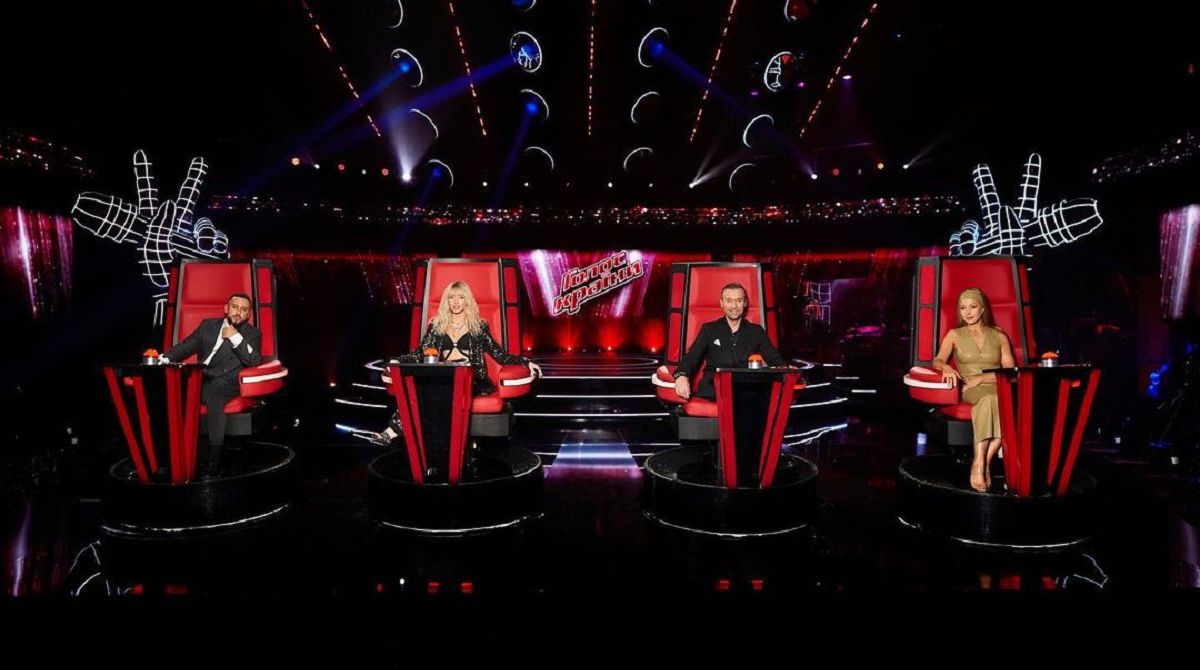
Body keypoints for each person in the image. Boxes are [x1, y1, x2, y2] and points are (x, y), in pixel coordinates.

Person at [370, 280, 542, 446]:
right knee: (421, 390)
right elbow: (419, 354)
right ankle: (391, 433)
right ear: (447, 300)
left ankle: (436, 443)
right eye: (451, 297)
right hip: (444, 376)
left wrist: (525, 362)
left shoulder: (479, 327)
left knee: (436, 391)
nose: (456, 302)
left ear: (467, 300)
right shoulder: (436, 326)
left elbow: (500, 355)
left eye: (460, 297)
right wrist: (398, 360)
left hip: (472, 379)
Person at [161, 292, 262, 477]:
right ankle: (169, 458)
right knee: (170, 391)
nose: (238, 312)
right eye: (234, 307)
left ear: (248, 315)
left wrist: (235, 337)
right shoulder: (207, 326)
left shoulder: (252, 333)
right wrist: (163, 358)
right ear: (226, 308)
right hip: (200, 376)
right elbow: (186, 346)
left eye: (243, 309)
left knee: (214, 395)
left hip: (226, 382)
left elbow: (254, 360)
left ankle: (213, 462)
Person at [931, 287, 1016, 492]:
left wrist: (983, 378)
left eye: (973, 307)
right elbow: (937, 360)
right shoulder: (954, 334)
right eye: (963, 308)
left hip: (997, 384)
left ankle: (982, 462)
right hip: (970, 388)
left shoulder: (999, 335)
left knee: (1000, 400)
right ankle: (980, 462)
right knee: (991, 400)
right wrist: (946, 368)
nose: (967, 312)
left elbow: (1010, 371)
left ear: (982, 309)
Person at [662, 282, 786, 401]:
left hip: (744, 392)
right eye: (729, 301)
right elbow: (692, 357)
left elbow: (774, 359)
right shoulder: (709, 329)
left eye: (739, 300)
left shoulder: (756, 331)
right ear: (722, 303)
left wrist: (785, 369)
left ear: (745, 303)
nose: (734, 306)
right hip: (712, 392)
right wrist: (681, 374)